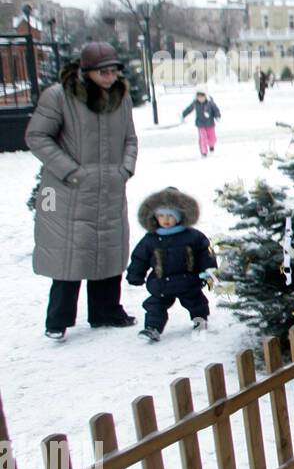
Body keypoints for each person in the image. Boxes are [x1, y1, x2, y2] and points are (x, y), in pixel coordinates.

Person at [26, 42, 139, 340]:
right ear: (86, 70)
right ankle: (58, 320)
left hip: (110, 187)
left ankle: (106, 311)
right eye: (104, 71)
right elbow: (37, 136)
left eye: (114, 70)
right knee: (71, 254)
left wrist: (124, 169)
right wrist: (71, 171)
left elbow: (130, 138)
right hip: (69, 190)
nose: (110, 77)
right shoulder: (58, 96)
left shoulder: (120, 97)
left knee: (109, 248)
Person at [125, 187, 217, 341]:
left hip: (189, 281)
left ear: (180, 216)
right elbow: (139, 258)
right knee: (154, 306)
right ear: (155, 217)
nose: (165, 220)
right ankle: (153, 328)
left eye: (170, 215)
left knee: (196, 303)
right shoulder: (151, 239)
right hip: (161, 283)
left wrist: (209, 271)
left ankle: (200, 321)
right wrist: (136, 274)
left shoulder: (192, 236)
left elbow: (206, 253)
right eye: (161, 215)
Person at [180, 90, 221, 156]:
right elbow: (189, 109)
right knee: (203, 138)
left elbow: (216, 110)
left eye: (202, 97)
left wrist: (217, 116)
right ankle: (204, 152)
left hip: (210, 123)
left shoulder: (210, 103)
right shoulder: (195, 103)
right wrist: (183, 115)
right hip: (200, 124)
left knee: (212, 138)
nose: (200, 99)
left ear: (205, 96)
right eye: (199, 97)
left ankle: (211, 145)